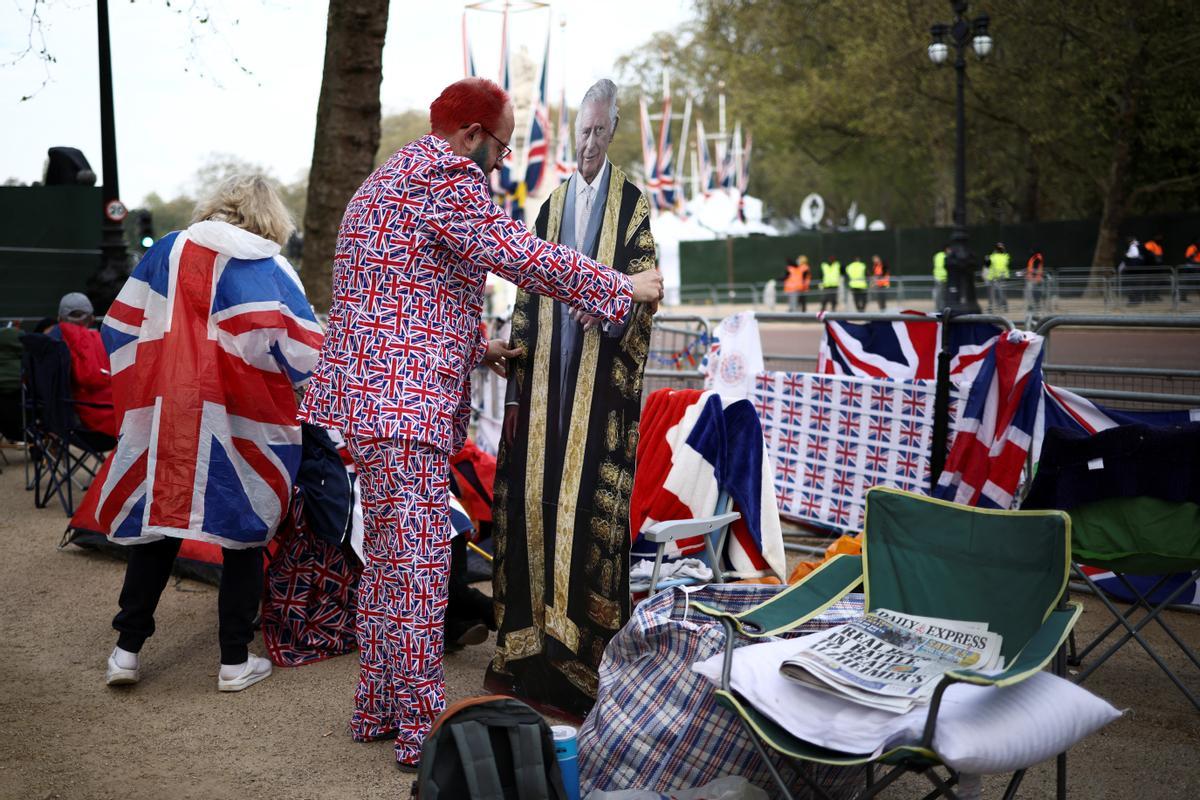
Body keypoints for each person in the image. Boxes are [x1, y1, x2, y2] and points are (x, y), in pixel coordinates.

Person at [299, 77, 663, 770]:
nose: (501, 163)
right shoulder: (449, 176)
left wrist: (477, 348)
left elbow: (395, 294)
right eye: (499, 148)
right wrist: (621, 285)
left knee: (388, 567)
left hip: (369, 407)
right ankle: (422, 734)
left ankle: (373, 708)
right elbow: (517, 254)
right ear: (472, 135)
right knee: (422, 570)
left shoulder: (384, 183)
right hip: (409, 410)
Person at [99, 175, 322, 693]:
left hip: (165, 408)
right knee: (244, 531)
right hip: (239, 414)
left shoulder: (168, 251)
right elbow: (303, 350)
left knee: (158, 528)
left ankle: (125, 652)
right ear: (270, 219)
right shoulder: (269, 266)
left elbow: (121, 324)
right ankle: (233, 661)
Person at [486, 79, 657, 720]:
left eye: (597, 132)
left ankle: (582, 663)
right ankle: (526, 654)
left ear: (612, 133)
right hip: (544, 393)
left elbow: (646, 292)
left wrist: (612, 315)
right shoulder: (551, 205)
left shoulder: (633, 204)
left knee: (585, 509)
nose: (587, 143)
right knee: (531, 502)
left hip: (597, 396)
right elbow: (527, 295)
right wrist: (517, 373)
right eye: (580, 132)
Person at [47, 292, 116, 437]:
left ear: (59, 319)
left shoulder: (48, 344)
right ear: (91, 319)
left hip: (60, 422)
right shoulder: (104, 341)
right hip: (104, 423)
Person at [984, 242, 1010, 312]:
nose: (1000, 250)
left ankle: (995, 307)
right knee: (998, 292)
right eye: (999, 248)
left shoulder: (993, 257)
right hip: (995, 277)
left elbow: (987, 264)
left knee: (998, 293)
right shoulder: (1005, 256)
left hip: (997, 277)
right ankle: (999, 307)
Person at [1025, 247, 1045, 311]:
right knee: (1033, 293)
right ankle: (1034, 305)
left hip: (1035, 279)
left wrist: (1033, 276)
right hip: (1033, 278)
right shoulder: (1034, 258)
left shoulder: (1037, 257)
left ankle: (1033, 306)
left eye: (1032, 251)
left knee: (1032, 293)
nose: (1031, 252)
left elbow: (1035, 269)